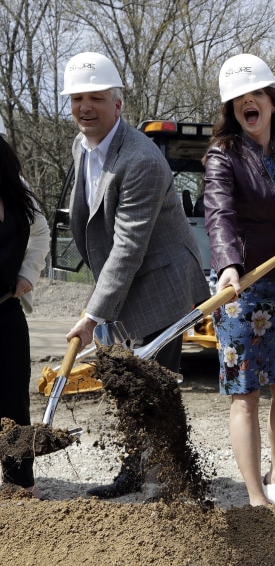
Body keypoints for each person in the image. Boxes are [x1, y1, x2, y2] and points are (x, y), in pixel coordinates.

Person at [61, 52, 209, 498]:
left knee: (155, 386)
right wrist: (100, 308)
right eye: (77, 99)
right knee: (126, 385)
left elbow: (128, 246)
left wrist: (91, 315)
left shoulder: (140, 160)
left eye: (96, 98)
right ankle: (134, 469)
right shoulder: (82, 145)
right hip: (122, 280)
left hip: (161, 282)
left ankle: (174, 479)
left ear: (117, 104)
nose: (85, 107)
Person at [203, 53, 275, 508]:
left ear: (271, 101)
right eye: (237, 99)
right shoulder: (222, 155)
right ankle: (254, 496)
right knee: (245, 393)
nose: (248, 103)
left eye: (256, 95)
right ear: (231, 109)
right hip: (241, 289)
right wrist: (228, 264)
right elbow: (218, 213)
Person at [0, 117, 51, 500]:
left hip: (6, 311)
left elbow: (40, 232)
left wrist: (27, 272)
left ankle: (19, 482)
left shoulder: (18, 192)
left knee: (14, 398)